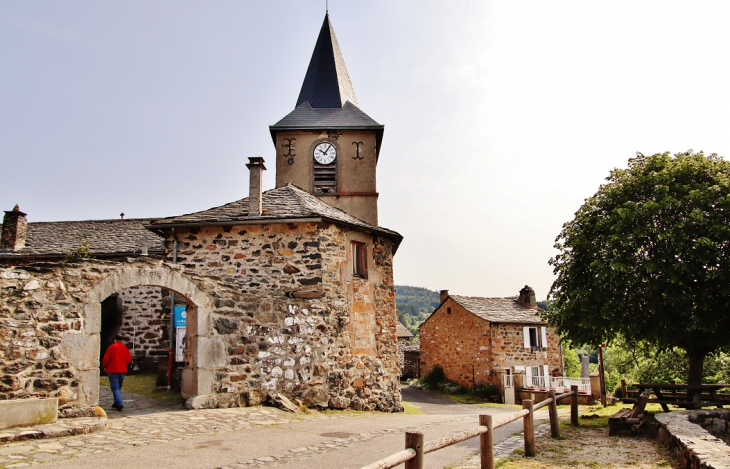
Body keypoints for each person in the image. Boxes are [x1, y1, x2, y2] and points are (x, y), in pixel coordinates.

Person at [103, 334, 132, 411]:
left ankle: (119, 403)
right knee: (118, 387)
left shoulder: (112, 347)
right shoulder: (125, 348)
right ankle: (116, 402)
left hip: (112, 369)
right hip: (122, 369)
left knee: (115, 387)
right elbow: (129, 359)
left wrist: (105, 366)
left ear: (115, 340)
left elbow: (106, 359)